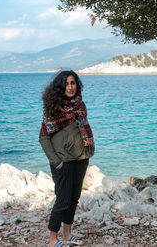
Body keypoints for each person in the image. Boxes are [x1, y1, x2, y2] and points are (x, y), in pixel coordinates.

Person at [39, 70, 95, 247]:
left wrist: (86, 152)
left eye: (73, 83)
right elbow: (43, 137)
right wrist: (56, 161)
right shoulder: (54, 109)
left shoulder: (80, 105)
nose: (70, 87)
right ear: (60, 87)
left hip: (81, 158)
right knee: (62, 201)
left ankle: (67, 234)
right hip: (63, 162)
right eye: (66, 84)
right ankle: (52, 240)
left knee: (73, 199)